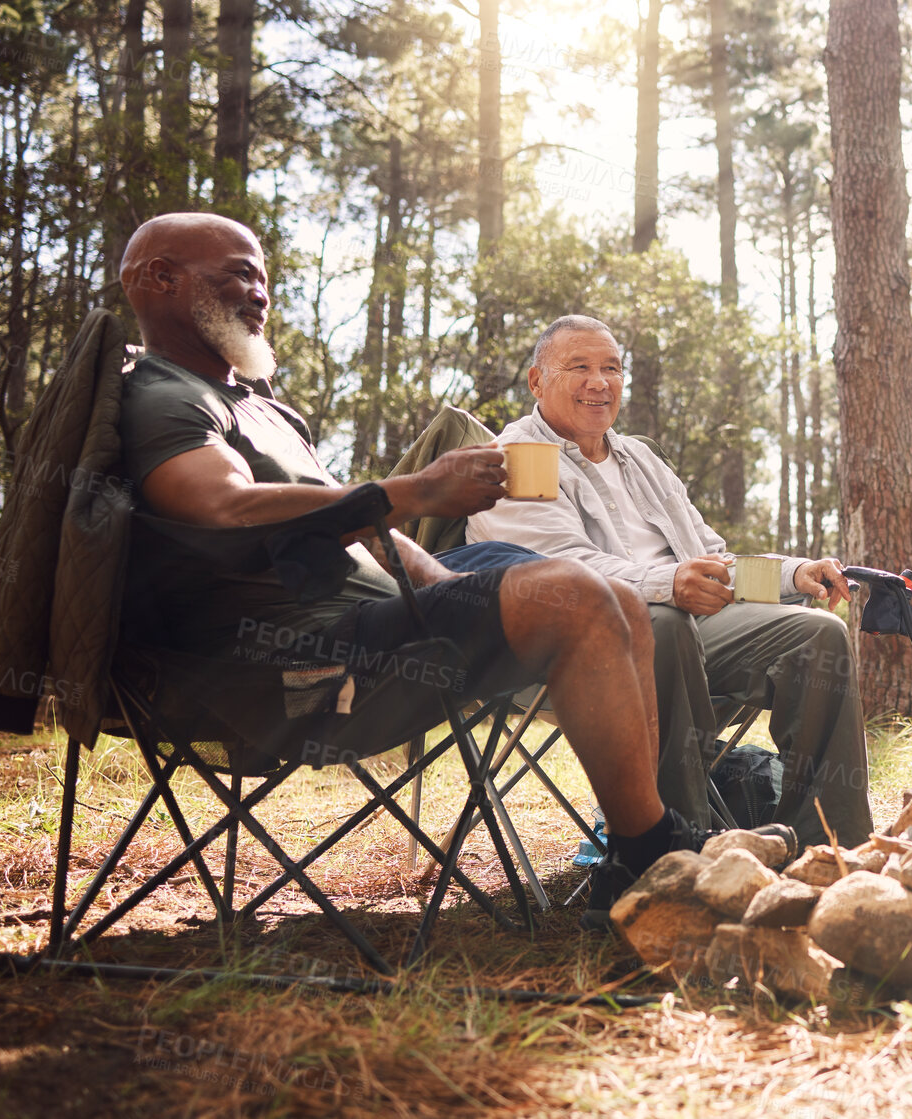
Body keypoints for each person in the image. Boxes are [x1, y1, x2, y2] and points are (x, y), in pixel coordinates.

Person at [113, 213, 748, 920]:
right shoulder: (163, 397)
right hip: (289, 665)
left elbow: (366, 530)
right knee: (577, 596)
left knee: (612, 596)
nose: (257, 292)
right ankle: (654, 853)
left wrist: (457, 592)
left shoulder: (264, 408)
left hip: (378, 621)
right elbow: (221, 506)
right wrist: (416, 490)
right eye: (235, 273)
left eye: (261, 275)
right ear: (158, 279)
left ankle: (642, 841)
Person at [466, 315, 871, 847]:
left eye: (612, 368)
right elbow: (560, 568)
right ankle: (672, 851)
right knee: (661, 623)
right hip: (570, 646)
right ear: (537, 382)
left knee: (817, 635)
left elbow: (709, 559)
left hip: (684, 628)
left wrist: (795, 573)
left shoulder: (639, 456)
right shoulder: (521, 458)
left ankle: (829, 846)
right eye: (580, 367)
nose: (599, 382)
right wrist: (668, 585)